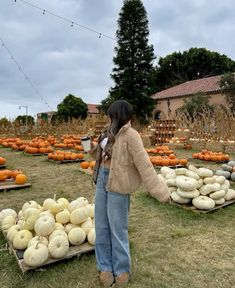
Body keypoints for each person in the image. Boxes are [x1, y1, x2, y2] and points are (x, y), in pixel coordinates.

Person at [89, 100, 170, 287]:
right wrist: (91, 148)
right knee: (101, 227)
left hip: (120, 185)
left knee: (118, 229)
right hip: (102, 178)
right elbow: (99, 157)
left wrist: (161, 193)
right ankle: (105, 267)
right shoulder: (107, 133)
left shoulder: (131, 136)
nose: (109, 119)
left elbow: (145, 165)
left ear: (120, 116)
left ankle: (122, 269)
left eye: (111, 115)